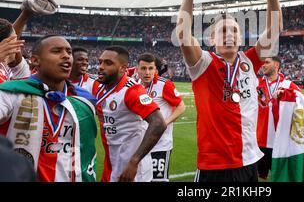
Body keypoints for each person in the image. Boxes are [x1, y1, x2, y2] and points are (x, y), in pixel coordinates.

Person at [175, 0, 282, 182]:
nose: (230, 35)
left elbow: (275, 28)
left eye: (234, 30)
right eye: (223, 31)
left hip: (249, 160)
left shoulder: (249, 61)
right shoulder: (203, 64)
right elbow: (183, 32)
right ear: (211, 40)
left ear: (241, 39)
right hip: (214, 165)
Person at [0, 35, 97, 182]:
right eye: (57, 51)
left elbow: (87, 156)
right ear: (35, 60)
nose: (66, 56)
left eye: (69, 52)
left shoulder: (83, 101)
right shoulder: (12, 92)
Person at [93, 46, 166, 182]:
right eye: (100, 62)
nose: (101, 67)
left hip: (131, 169)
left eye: (108, 63)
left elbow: (159, 123)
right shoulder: (102, 87)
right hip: (113, 162)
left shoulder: (132, 91)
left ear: (122, 68)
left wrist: (134, 161)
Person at [136, 52, 185, 182]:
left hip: (160, 144)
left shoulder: (164, 84)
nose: (147, 72)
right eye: (143, 68)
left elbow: (181, 107)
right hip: (140, 144)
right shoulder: (134, 85)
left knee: (158, 180)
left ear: (155, 70)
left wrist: (164, 122)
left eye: (150, 68)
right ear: (137, 69)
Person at [256, 56, 301, 179]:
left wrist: (286, 95)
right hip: (260, 141)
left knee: (281, 177)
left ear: (276, 65)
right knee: (259, 176)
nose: (263, 65)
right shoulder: (256, 84)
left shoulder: (287, 85)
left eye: (267, 62)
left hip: (280, 141)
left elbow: (303, 102)